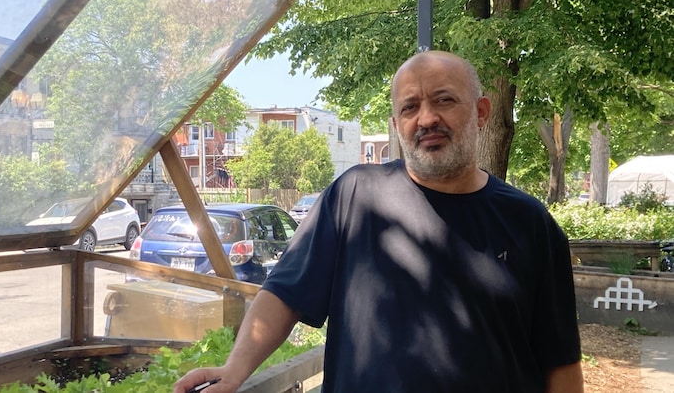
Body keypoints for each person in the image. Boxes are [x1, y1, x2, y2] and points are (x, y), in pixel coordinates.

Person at [173, 50, 584, 393]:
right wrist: (235, 369)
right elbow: (285, 294)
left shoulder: (531, 223)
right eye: (410, 107)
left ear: (481, 112)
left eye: (443, 100)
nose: (425, 119)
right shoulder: (354, 197)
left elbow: (560, 361)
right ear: (396, 125)